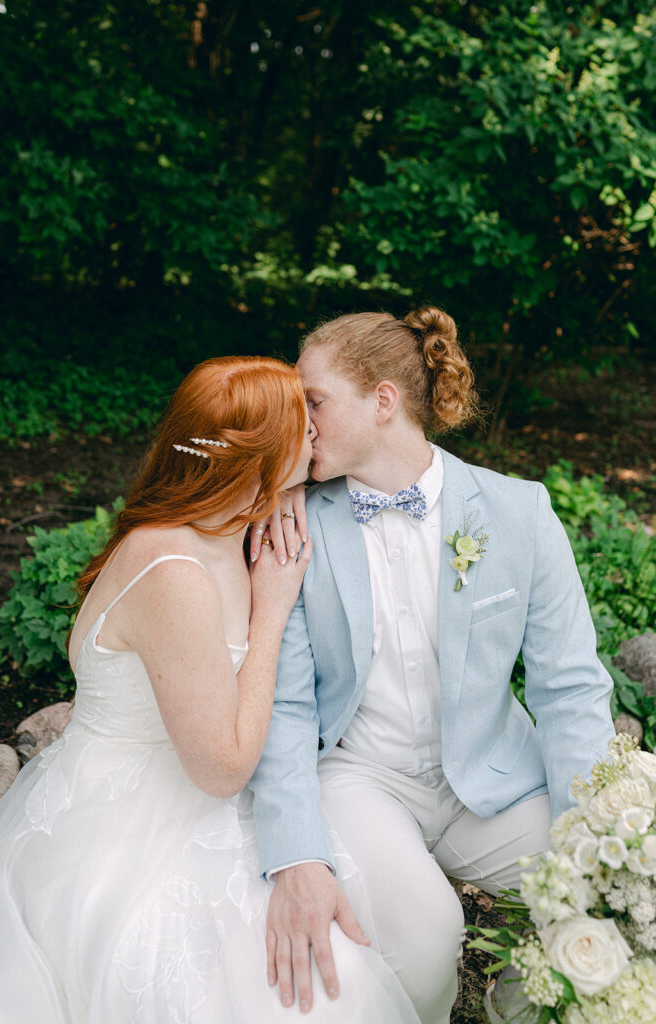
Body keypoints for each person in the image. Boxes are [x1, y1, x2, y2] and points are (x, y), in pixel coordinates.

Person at [0, 356, 420, 1024]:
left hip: (202, 798)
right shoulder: (174, 569)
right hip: (132, 825)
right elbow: (221, 769)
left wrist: (280, 489)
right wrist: (271, 611)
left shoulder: (231, 523)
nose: (318, 432)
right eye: (302, 424)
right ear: (256, 461)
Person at [248, 308, 616, 1023]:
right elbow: (285, 705)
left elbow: (569, 686)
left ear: (384, 401)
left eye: (313, 402)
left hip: (493, 776)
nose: (297, 423)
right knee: (426, 940)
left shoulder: (521, 513)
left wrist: (588, 832)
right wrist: (296, 853)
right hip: (362, 776)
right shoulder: (293, 522)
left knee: (579, 911)